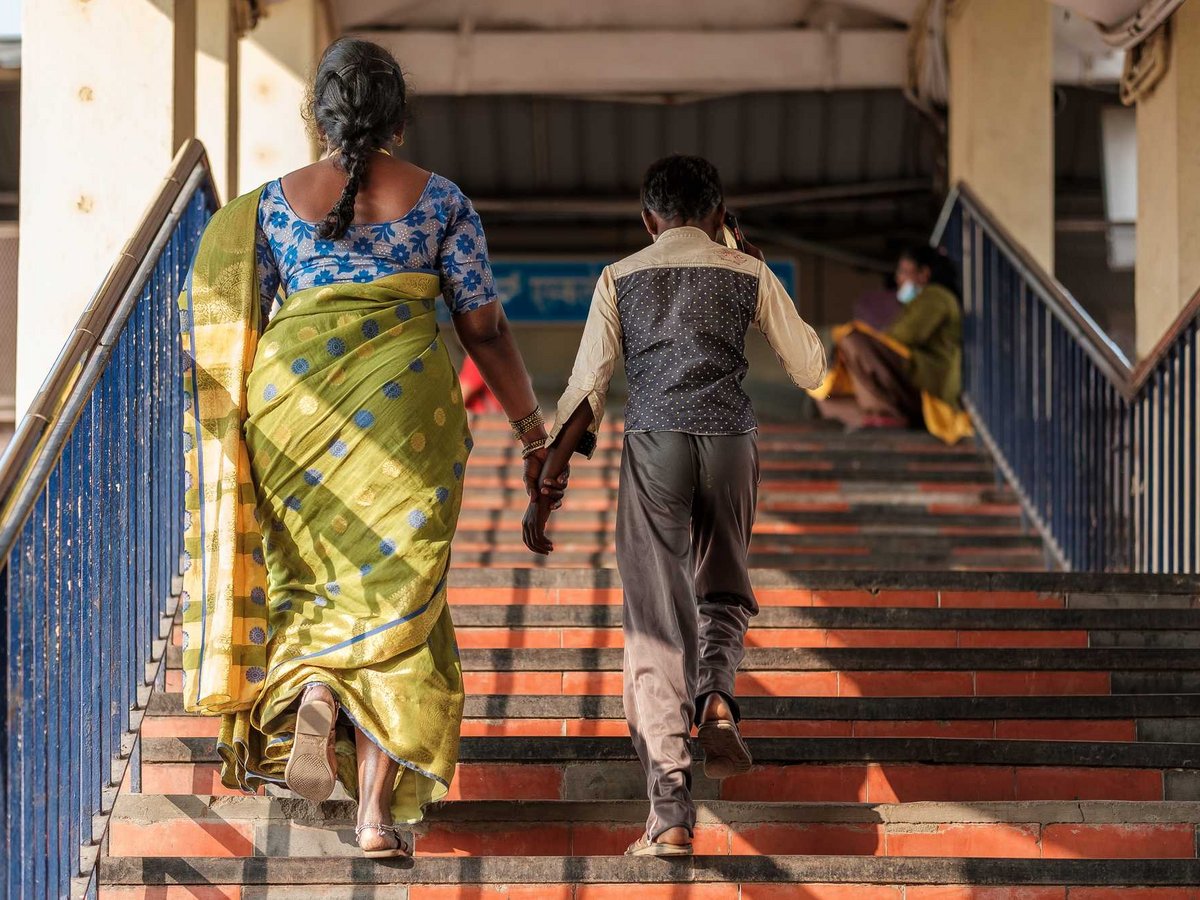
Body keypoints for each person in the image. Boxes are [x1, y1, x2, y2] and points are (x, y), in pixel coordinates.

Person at [179, 38, 556, 859]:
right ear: (398, 118)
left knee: (310, 582)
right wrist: (534, 432)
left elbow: (218, 322)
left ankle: (315, 682)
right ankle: (374, 817)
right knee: (396, 600)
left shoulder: (264, 209)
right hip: (403, 416)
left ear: (316, 112)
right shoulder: (443, 200)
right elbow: (482, 325)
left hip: (291, 414)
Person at [522, 155, 826, 857]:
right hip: (731, 442)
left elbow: (585, 391)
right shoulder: (748, 272)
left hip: (654, 442)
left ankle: (670, 812)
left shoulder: (619, 276)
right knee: (722, 591)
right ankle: (715, 692)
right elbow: (811, 369)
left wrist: (546, 487)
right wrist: (753, 264)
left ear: (647, 220)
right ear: (720, 216)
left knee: (657, 622)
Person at [811, 245, 972, 444]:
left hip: (928, 386)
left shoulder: (937, 296)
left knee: (852, 339)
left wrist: (867, 343)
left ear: (924, 274)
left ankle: (886, 414)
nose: (899, 279)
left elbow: (900, 339)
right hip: (908, 387)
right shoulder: (921, 300)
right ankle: (878, 416)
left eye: (904, 272)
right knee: (826, 398)